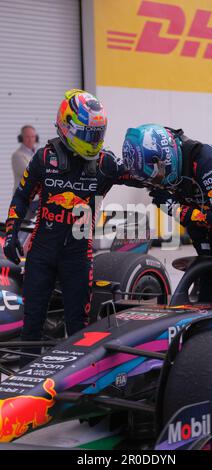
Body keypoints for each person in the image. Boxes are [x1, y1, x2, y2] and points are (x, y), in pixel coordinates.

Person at [3, 89, 128, 360]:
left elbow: (140, 173)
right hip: (41, 252)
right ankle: (27, 384)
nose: (93, 140)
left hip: (78, 255)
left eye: (98, 133)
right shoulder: (44, 158)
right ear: (67, 126)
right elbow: (22, 196)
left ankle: (74, 387)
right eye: (88, 133)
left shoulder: (105, 163)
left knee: (77, 327)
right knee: (32, 323)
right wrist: (12, 232)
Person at [122, 124, 212, 307]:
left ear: (166, 157)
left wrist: (177, 210)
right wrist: (204, 250)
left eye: (157, 176)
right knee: (206, 292)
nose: (157, 183)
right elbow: (194, 221)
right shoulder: (170, 176)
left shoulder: (209, 163)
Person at [12, 125, 39, 193]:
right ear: (21, 138)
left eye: (33, 137)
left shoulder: (38, 153)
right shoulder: (17, 155)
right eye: (27, 137)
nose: (30, 140)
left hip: (37, 198)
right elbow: (30, 173)